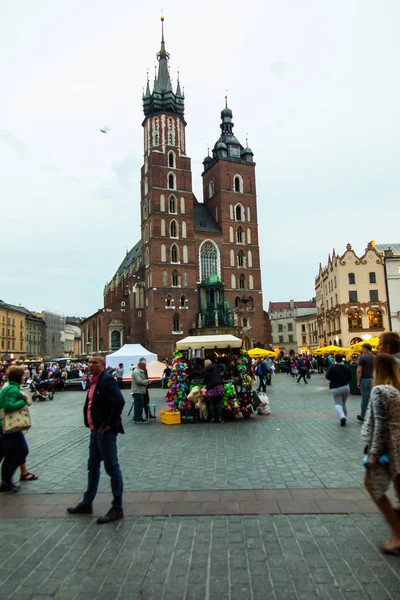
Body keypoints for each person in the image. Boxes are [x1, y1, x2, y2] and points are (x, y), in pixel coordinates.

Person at [67, 354, 125, 524]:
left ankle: (117, 508)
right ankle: (87, 502)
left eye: (95, 362)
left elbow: (119, 401)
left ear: (103, 364)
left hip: (104, 432)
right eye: (89, 362)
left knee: (112, 468)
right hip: (95, 431)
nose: (90, 365)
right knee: (92, 466)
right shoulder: (94, 381)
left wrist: (109, 423)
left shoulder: (107, 381)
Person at [362, 353, 400, 554]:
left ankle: (398, 535)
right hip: (396, 445)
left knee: (372, 485)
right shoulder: (395, 390)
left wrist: (374, 453)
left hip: (386, 448)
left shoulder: (379, 391)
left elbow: (381, 423)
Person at [0, 366, 32, 492]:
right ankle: (6, 481)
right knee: (21, 452)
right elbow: (8, 406)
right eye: (23, 375)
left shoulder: (10, 387)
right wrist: (25, 402)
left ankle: (6, 482)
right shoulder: (12, 389)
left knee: (9, 454)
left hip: (7, 426)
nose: (24, 377)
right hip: (11, 427)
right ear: (19, 377)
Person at [325, 354, 352, 426]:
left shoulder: (332, 367)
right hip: (346, 387)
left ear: (335, 359)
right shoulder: (347, 367)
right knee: (344, 403)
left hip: (335, 387)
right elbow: (350, 377)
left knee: (337, 404)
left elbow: (327, 376)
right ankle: (345, 417)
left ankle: (342, 417)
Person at [357, 343, 374, 422]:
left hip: (366, 379)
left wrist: (358, 381)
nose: (362, 350)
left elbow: (359, 370)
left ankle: (363, 415)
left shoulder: (362, 357)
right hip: (374, 379)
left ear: (366, 349)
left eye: (362, 349)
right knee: (373, 398)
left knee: (365, 399)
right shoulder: (376, 357)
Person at [203, 359, 224, 423]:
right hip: (218, 386)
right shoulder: (215, 368)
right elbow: (219, 376)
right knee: (219, 403)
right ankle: (220, 418)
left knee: (211, 404)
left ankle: (212, 418)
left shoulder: (205, 371)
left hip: (211, 388)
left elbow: (204, 381)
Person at [131, 358, 151, 423]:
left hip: (140, 391)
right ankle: (138, 418)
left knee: (139, 405)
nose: (145, 367)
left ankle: (136, 417)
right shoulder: (136, 372)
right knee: (139, 406)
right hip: (137, 391)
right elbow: (139, 381)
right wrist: (147, 381)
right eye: (144, 366)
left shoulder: (140, 371)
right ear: (140, 365)